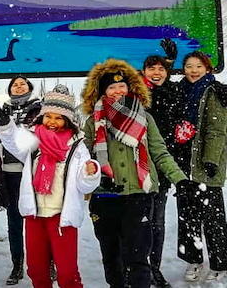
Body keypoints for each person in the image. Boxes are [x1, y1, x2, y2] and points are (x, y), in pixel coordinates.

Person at [80, 58, 189, 288]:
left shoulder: (144, 117)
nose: (118, 90)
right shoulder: (93, 122)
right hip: (105, 196)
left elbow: (160, 153)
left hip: (138, 194)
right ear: (103, 91)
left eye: (122, 86)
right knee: (112, 258)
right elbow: (85, 159)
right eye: (112, 87)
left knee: (138, 258)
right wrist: (92, 175)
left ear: (130, 88)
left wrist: (180, 179)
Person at [0, 85, 101, 288]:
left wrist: (90, 174)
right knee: (36, 270)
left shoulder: (76, 145)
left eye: (59, 118)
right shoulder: (33, 140)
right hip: (35, 216)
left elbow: (85, 186)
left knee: (67, 274)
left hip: (62, 218)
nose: (52, 122)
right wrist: (4, 126)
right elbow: (12, 142)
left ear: (68, 120)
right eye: (49, 116)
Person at [175, 51, 227, 283]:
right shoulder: (181, 91)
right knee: (187, 216)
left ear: (208, 69)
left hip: (204, 165)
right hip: (183, 164)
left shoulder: (214, 92)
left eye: (198, 66)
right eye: (189, 66)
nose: (193, 70)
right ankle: (193, 260)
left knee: (213, 218)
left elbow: (216, 130)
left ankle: (221, 263)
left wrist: (210, 159)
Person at [140, 39, 182, 288]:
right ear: (143, 72)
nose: (157, 73)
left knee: (157, 221)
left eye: (161, 69)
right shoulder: (136, 95)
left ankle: (154, 268)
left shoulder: (173, 92)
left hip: (163, 166)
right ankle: (137, 267)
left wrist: (173, 63)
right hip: (139, 167)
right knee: (137, 221)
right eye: (151, 69)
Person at [0, 75, 41, 285]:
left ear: (29, 87)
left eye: (22, 83)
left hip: (34, 171)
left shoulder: (39, 108)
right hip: (9, 171)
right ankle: (17, 264)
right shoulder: (2, 110)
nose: (18, 86)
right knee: (14, 221)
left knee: (39, 220)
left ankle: (46, 263)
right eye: (14, 84)